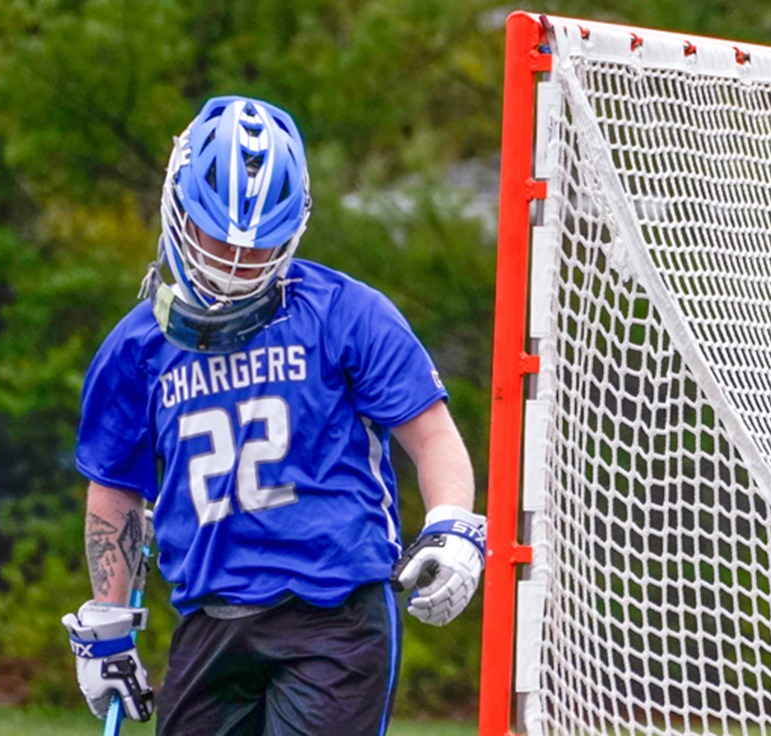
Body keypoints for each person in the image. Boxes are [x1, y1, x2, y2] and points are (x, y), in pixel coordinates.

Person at [64, 96, 487, 734]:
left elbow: (431, 438)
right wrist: (107, 620)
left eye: (261, 247)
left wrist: (453, 523)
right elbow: (116, 488)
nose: (237, 264)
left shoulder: (347, 312)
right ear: (178, 210)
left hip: (334, 614)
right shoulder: (136, 347)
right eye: (216, 236)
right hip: (210, 617)